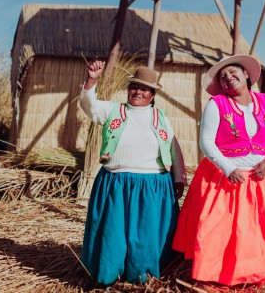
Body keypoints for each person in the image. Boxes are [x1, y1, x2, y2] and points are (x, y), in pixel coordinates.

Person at [172, 54, 265, 285]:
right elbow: (207, 142)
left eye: (233, 73)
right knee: (228, 229)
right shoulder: (217, 104)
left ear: (246, 75)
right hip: (227, 177)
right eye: (223, 77)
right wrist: (228, 167)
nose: (228, 78)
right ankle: (224, 272)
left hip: (262, 176)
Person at [79, 60, 187, 284]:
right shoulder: (113, 110)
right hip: (116, 183)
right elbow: (89, 106)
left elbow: (173, 148)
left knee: (145, 235)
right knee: (114, 233)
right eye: (134, 87)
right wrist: (92, 80)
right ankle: (111, 273)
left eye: (144, 89)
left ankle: (143, 276)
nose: (138, 91)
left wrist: (178, 178)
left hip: (152, 185)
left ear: (153, 94)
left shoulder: (161, 118)